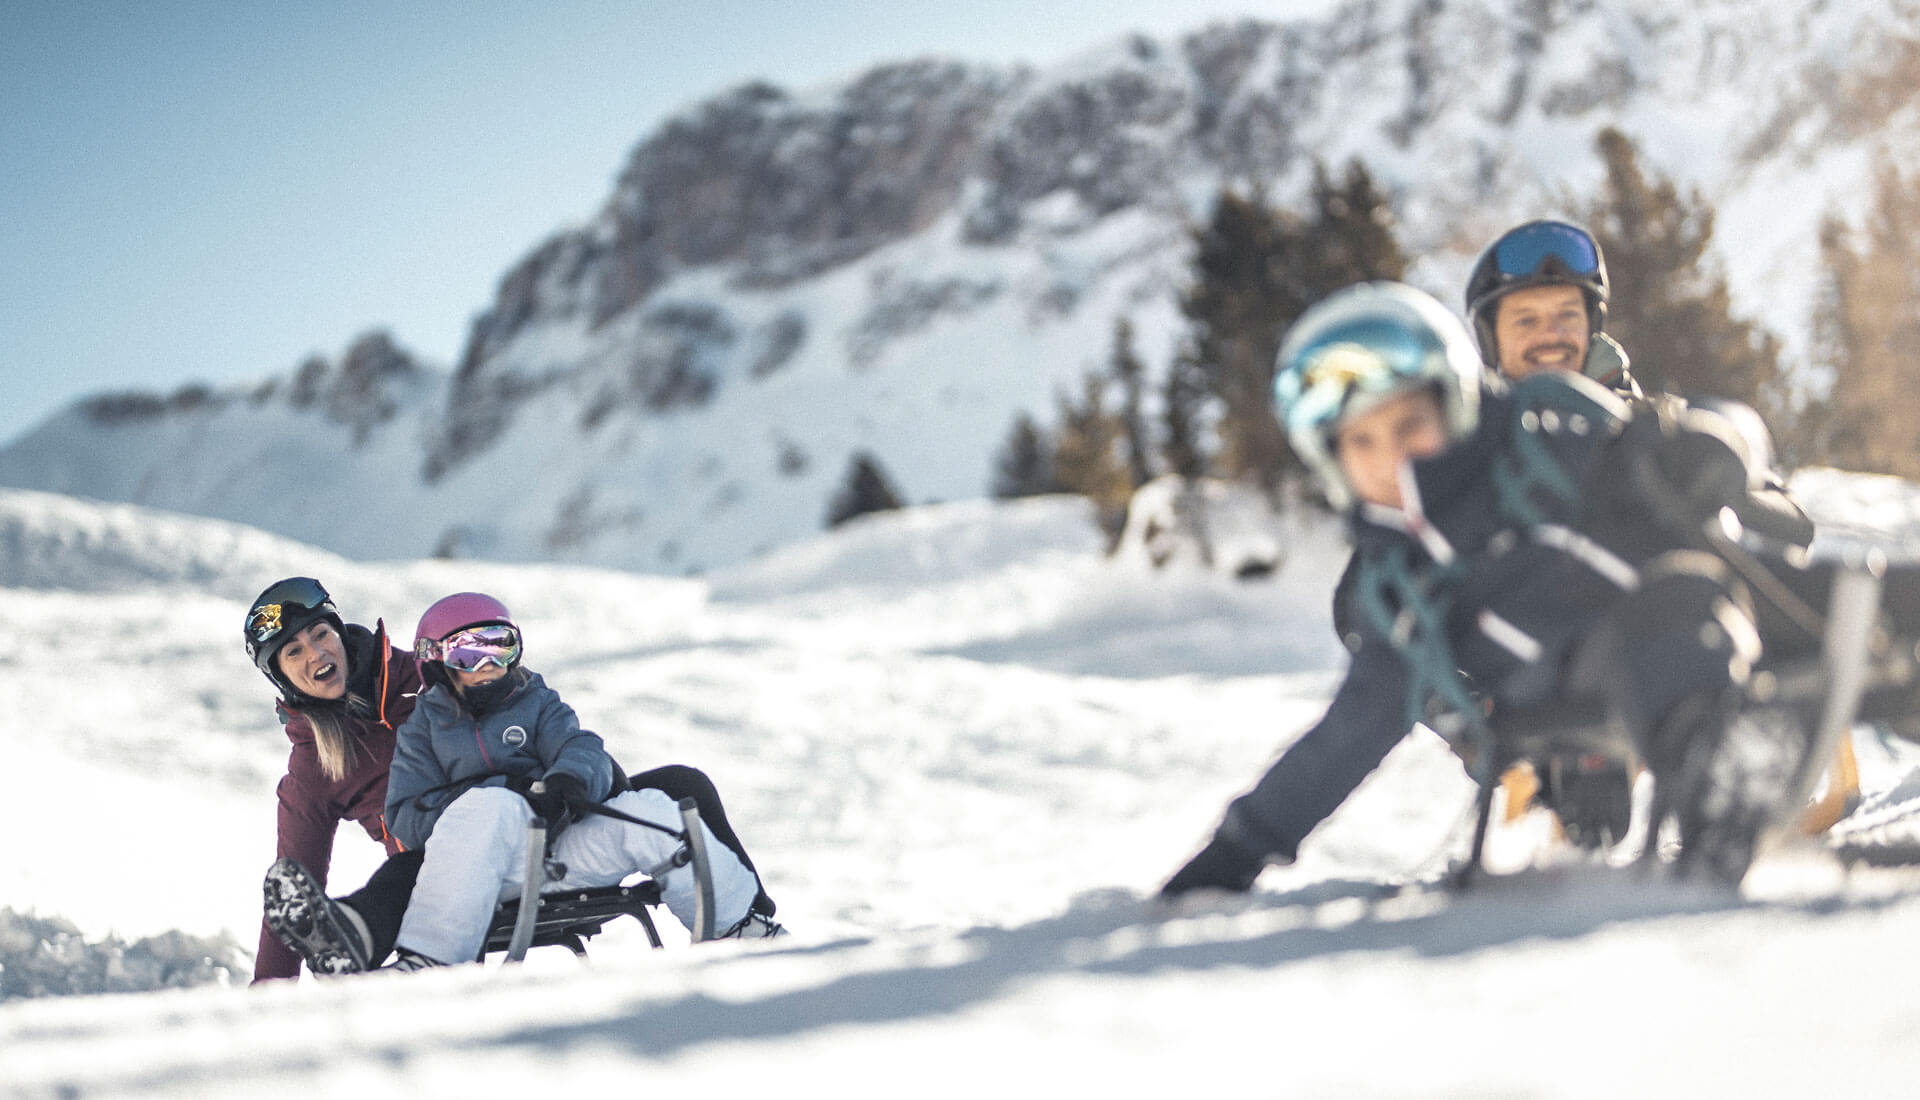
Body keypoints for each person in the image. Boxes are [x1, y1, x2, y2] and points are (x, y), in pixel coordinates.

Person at [1160, 282, 1920, 899]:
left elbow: (1669, 442)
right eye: (1362, 443)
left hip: (1736, 588)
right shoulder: (1400, 588)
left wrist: (1698, 455)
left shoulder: (1542, 434)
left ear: (1453, 404)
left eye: (1410, 427)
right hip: (1593, 686)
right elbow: (1349, 735)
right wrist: (1236, 852)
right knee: (1669, 614)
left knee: (1884, 604)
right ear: (1331, 462)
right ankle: (1720, 778)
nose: (1391, 460)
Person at [381, 593, 782, 970]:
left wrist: (568, 781)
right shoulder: (422, 731)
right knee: (489, 803)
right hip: (490, 871)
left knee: (649, 810)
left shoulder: (535, 701)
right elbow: (403, 815)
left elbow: (579, 745)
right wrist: (498, 796)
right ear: (435, 661)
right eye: (468, 651)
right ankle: (432, 960)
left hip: (563, 856)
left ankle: (738, 928)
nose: (487, 662)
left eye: (500, 646)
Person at [246, 576, 425, 982]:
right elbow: (293, 891)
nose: (316, 652)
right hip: (426, 880)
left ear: (340, 634)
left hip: (508, 830)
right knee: (412, 870)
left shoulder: (420, 678)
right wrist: (267, 996)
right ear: (282, 678)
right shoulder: (316, 764)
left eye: (321, 633)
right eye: (293, 651)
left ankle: (353, 933)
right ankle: (348, 938)